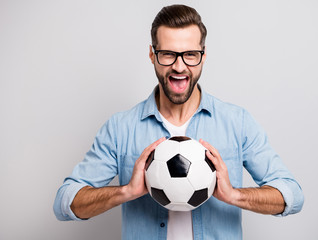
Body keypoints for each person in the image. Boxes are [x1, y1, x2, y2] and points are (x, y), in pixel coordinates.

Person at [54, 4, 304, 240]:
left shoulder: (236, 122)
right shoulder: (121, 128)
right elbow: (65, 202)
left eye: (190, 55)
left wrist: (234, 195)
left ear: (203, 56)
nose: (179, 66)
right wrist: (126, 191)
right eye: (168, 54)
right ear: (152, 54)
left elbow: (292, 195)